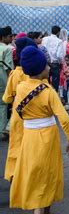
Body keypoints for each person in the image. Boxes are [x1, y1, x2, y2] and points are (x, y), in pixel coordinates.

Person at [9, 46, 69, 214]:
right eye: (46, 65)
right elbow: (63, 117)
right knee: (48, 173)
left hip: (29, 136)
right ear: (41, 69)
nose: (48, 67)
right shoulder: (48, 91)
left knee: (33, 173)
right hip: (48, 136)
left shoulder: (21, 88)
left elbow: (16, 115)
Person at [2, 37, 37, 182]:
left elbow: (7, 99)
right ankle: (30, 175)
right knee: (31, 148)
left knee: (16, 145)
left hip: (17, 116)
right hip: (34, 117)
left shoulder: (15, 74)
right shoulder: (36, 75)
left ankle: (13, 175)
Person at [42, 26, 65, 92]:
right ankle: (54, 97)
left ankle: (46, 97)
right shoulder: (59, 41)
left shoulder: (44, 39)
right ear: (58, 32)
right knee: (55, 82)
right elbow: (59, 55)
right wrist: (61, 63)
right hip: (55, 64)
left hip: (46, 63)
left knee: (46, 81)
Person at [0, 26, 14, 136]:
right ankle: (3, 130)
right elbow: (9, 69)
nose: (12, 38)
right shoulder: (7, 49)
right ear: (3, 37)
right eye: (10, 36)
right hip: (3, 81)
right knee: (3, 106)